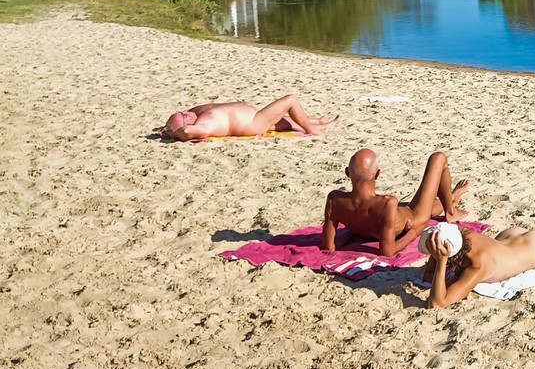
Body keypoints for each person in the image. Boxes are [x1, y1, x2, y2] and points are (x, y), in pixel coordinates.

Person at [321, 149, 469, 257]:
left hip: (379, 226)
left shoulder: (335, 200)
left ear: (347, 173)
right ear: (378, 174)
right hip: (413, 220)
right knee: (438, 158)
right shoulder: (387, 204)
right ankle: (450, 211)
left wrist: (353, 232)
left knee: (424, 204)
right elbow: (387, 251)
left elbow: (328, 246)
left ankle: (452, 197)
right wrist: (412, 233)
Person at [160, 96, 337, 141]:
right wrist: (174, 133)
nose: (185, 112)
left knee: (284, 121)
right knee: (290, 100)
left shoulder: (198, 112)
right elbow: (188, 131)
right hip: (253, 123)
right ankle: (312, 129)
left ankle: (319, 122)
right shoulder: (205, 123)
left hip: (254, 117)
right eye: (183, 116)